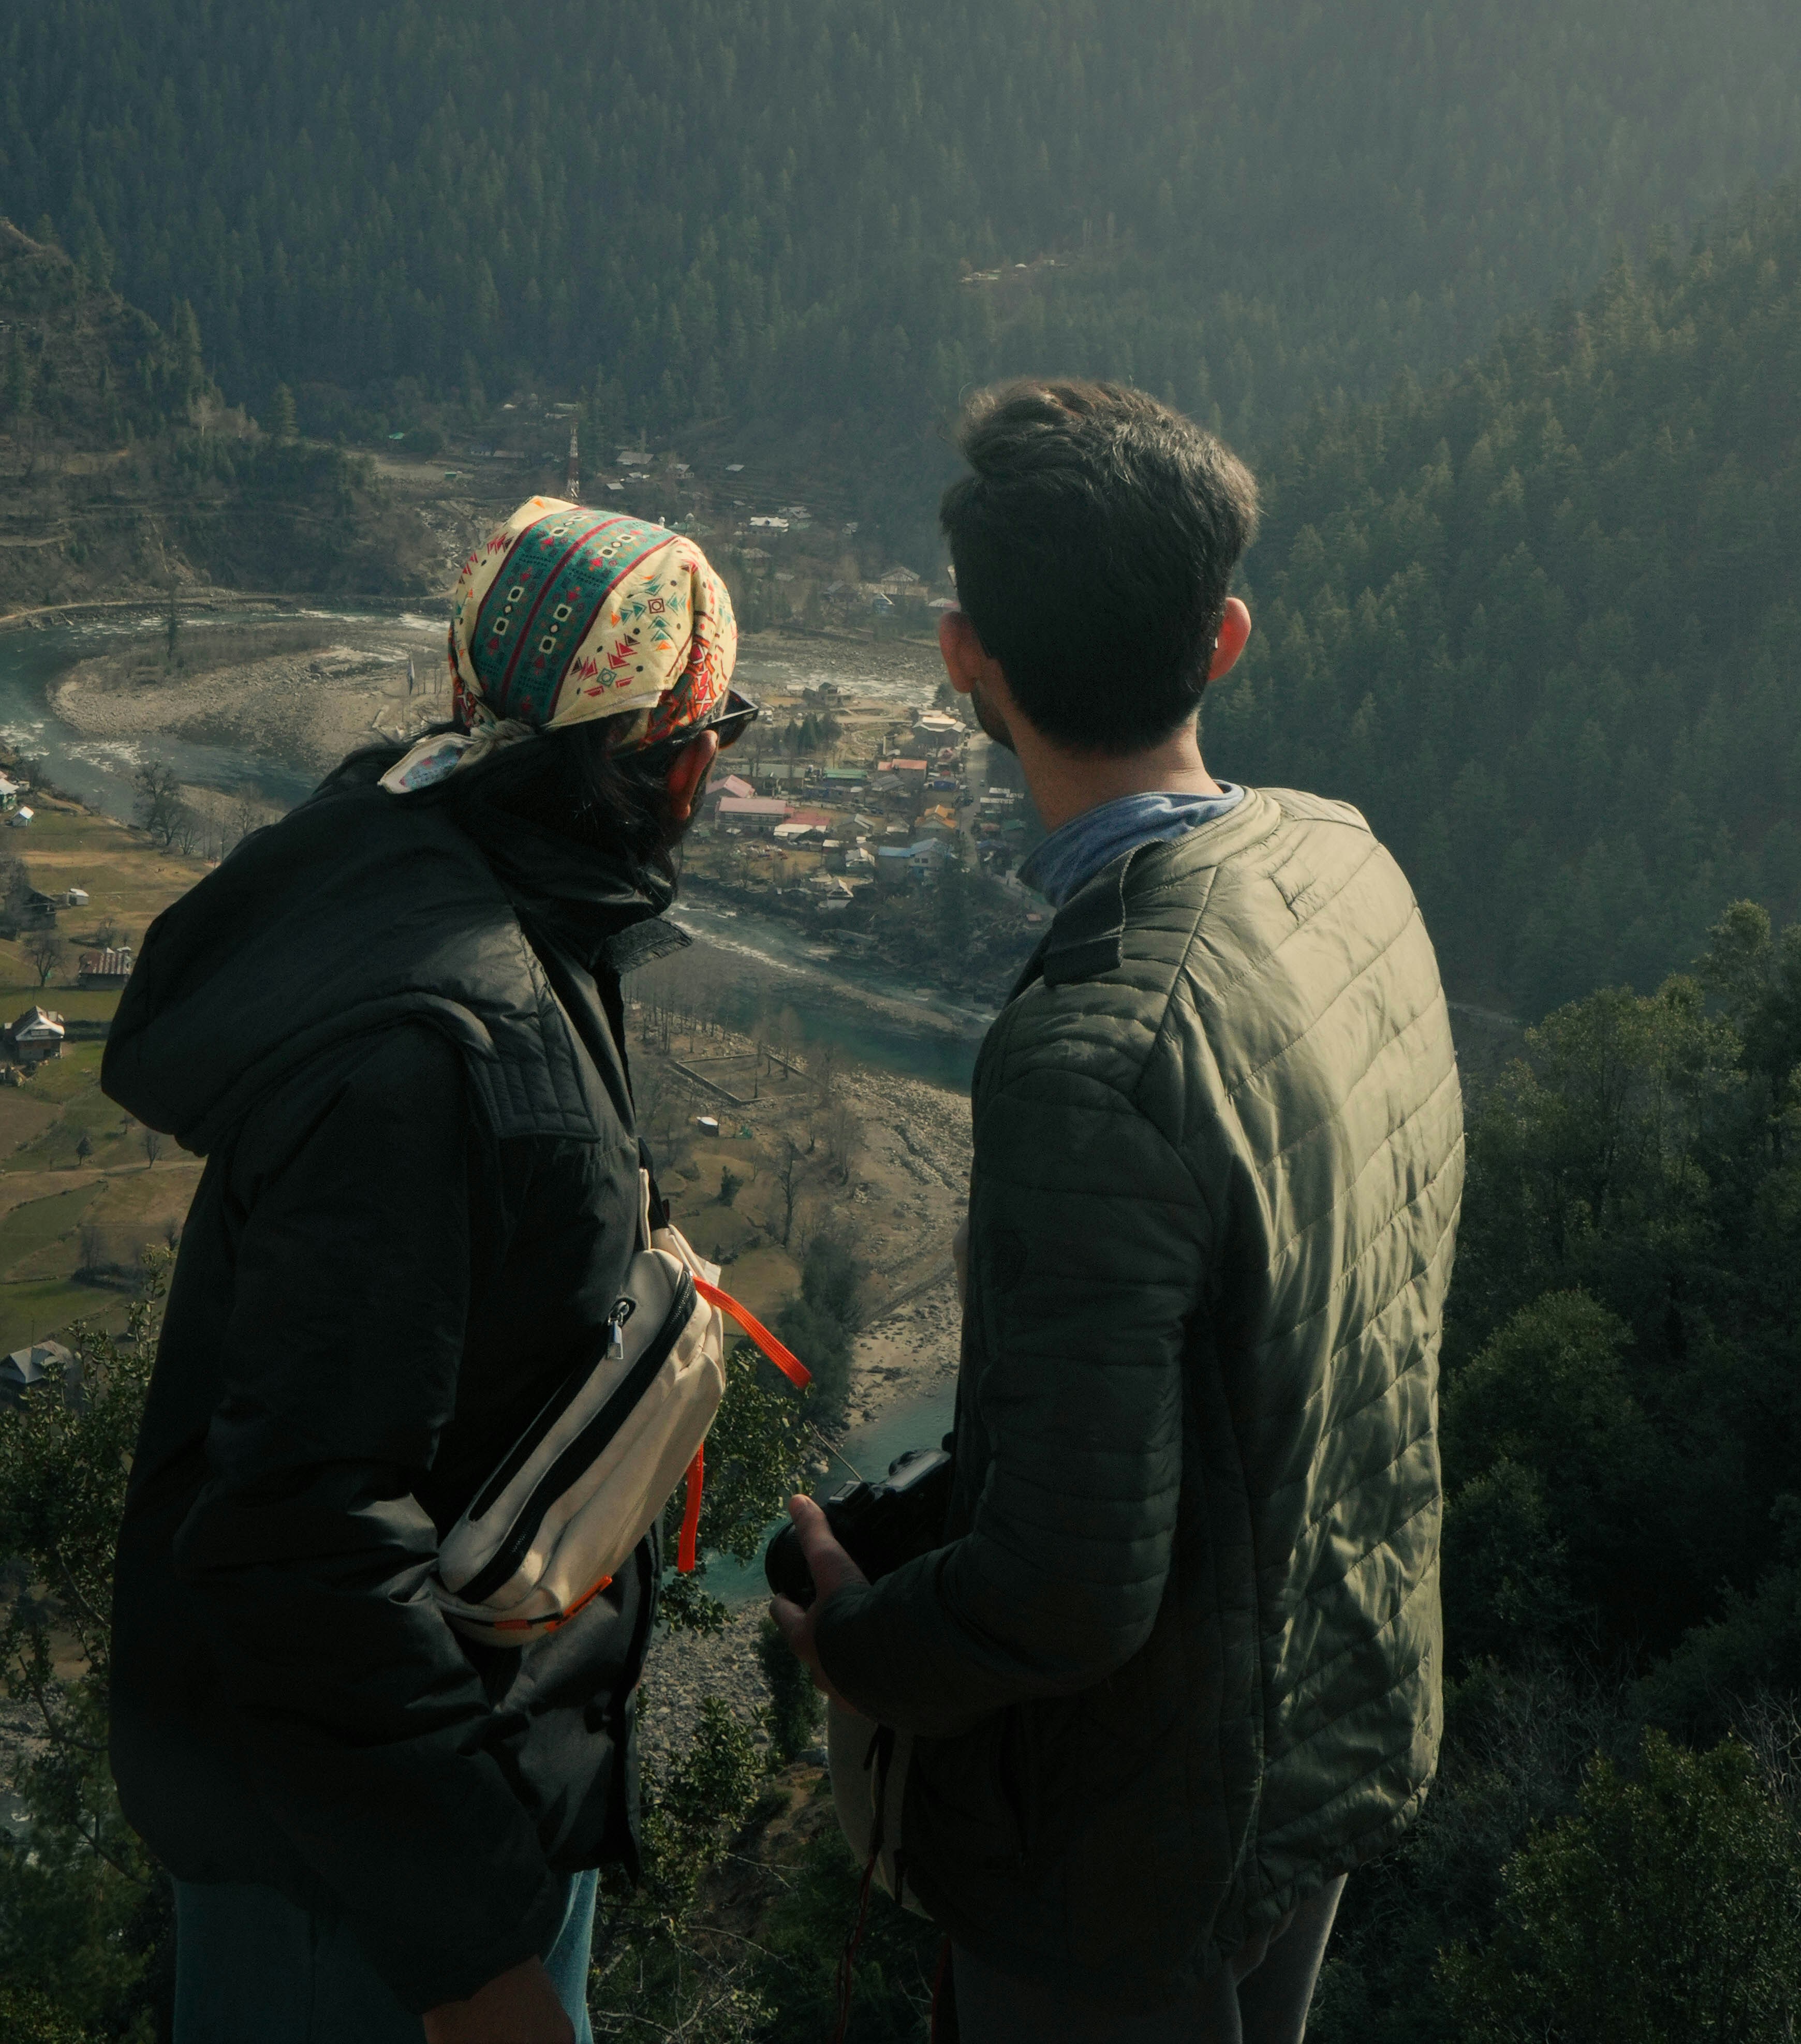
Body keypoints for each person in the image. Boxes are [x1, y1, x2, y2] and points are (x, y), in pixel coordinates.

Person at [773, 382, 1464, 2043]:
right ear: (1223, 640)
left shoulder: (1093, 1049)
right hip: (1331, 1719)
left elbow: (1071, 1588)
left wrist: (858, 1639)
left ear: (962, 661)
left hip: (1131, 1844)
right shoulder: (1347, 866)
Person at [104, 497, 752, 2044]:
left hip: (437, 1782)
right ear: (667, 759)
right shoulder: (433, 1041)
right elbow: (302, 1538)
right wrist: (478, 1961)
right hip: (362, 1873)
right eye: (716, 727)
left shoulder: (475, 882)